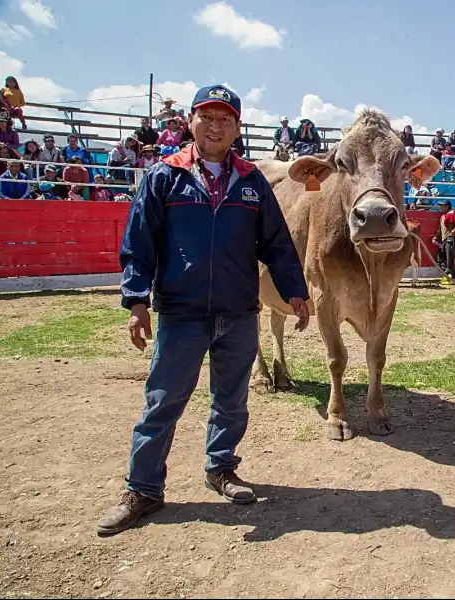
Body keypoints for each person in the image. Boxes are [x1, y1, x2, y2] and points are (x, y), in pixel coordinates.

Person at [97, 85, 311, 536]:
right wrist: (137, 303)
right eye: (207, 117)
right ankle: (143, 490)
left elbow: (276, 243)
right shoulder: (163, 176)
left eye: (226, 119)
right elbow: (139, 246)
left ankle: (221, 469)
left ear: (237, 127)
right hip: (181, 313)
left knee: (231, 402)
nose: (216, 126)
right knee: (162, 403)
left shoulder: (252, 182)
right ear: (191, 123)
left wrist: (296, 291)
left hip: (238, 313)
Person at [434, 199, 455, 281]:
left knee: (449, 259)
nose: (441, 208)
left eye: (442, 206)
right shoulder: (443, 216)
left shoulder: (451, 214)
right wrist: (436, 237)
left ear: (447, 206)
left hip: (450, 239)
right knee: (441, 259)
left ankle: (451, 277)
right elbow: (440, 229)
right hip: (444, 239)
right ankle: (449, 276)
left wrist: (453, 231)